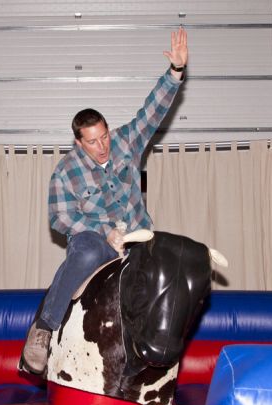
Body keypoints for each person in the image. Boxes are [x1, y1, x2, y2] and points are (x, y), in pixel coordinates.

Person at [20, 28, 189, 375]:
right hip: (94, 238)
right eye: (93, 141)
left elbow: (151, 113)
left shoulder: (126, 143)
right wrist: (104, 231)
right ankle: (43, 330)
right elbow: (60, 217)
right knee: (87, 252)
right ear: (79, 143)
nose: (102, 146)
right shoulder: (66, 171)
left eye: (105, 136)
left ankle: (155, 352)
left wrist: (174, 74)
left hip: (136, 235)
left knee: (167, 267)